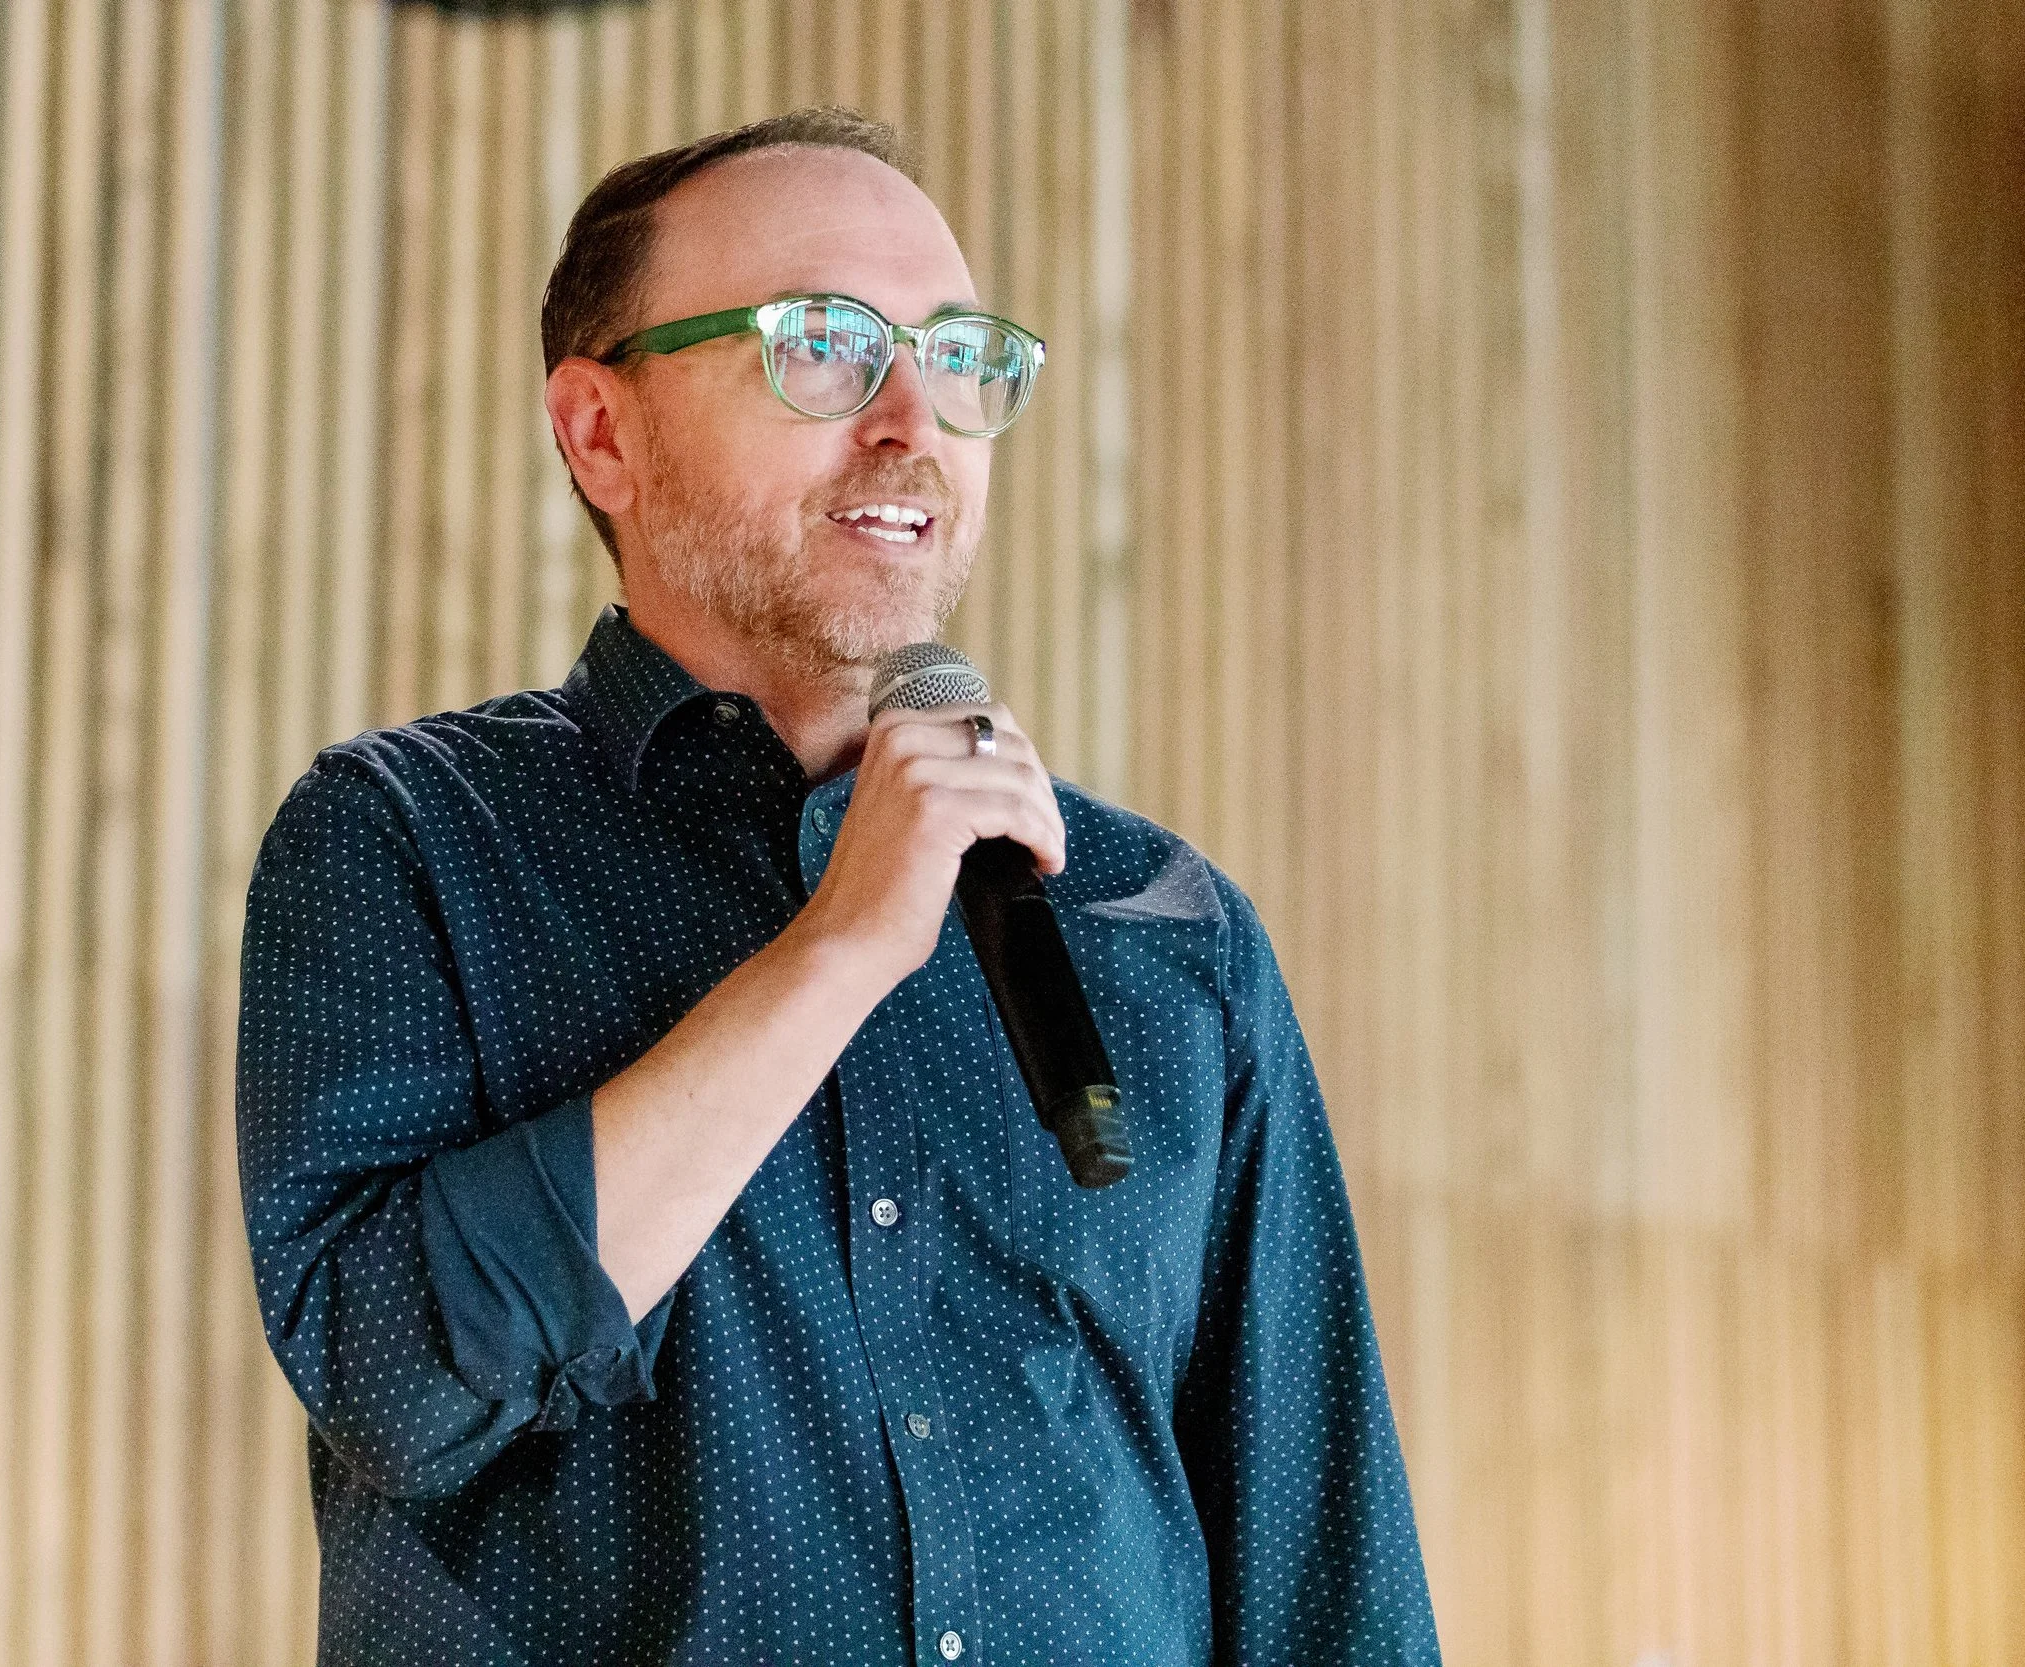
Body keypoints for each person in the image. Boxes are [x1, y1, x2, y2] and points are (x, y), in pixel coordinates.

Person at [236, 106, 1441, 1667]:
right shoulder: (409, 840)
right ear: (602, 432)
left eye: (955, 359)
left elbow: (1330, 1584)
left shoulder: (1163, 929)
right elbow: (397, 1378)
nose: (910, 421)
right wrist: (841, 949)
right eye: (823, 346)